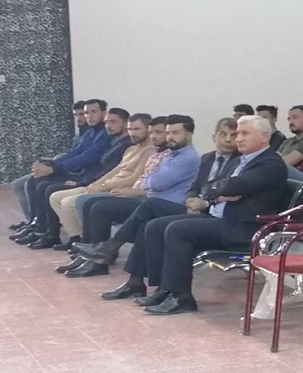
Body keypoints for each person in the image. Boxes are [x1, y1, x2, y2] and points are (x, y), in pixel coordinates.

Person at [137, 115, 288, 314]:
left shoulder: (270, 163)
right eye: (238, 134)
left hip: (245, 228)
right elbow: (211, 186)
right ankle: (164, 289)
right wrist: (222, 192)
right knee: (156, 226)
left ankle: (182, 297)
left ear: (264, 136)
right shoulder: (242, 160)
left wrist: (224, 190)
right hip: (222, 218)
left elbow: (231, 185)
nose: (238, 138)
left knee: (178, 230)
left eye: (244, 133)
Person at [94, 118, 241, 300]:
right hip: (192, 207)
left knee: (150, 206)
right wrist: (191, 199)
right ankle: (137, 282)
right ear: (214, 137)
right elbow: (194, 187)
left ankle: (113, 246)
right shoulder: (208, 158)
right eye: (223, 134)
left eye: (233, 135)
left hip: (210, 213)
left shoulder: (238, 161)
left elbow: (222, 190)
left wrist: (204, 203)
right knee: (148, 223)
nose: (228, 139)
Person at [59, 115, 200, 277]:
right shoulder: (170, 155)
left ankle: (103, 255)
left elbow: (155, 182)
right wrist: (149, 181)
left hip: (165, 205)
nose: (170, 137)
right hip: (151, 201)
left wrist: (149, 181)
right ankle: (92, 256)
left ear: (189, 135)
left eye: (175, 133)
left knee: (102, 208)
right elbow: (148, 179)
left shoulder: (188, 157)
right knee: (93, 205)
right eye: (168, 133)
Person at [30, 108, 133, 249]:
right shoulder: (112, 141)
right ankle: (48, 231)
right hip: (93, 180)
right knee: (39, 183)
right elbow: (77, 154)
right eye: (107, 122)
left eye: (113, 122)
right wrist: (52, 165)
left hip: (103, 184)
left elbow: (105, 167)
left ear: (125, 123)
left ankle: (80, 242)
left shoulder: (126, 146)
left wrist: (83, 182)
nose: (109, 126)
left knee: (56, 193)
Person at [48, 113, 154, 250]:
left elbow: (135, 178)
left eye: (137, 129)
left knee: (75, 202)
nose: (132, 133)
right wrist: (97, 184)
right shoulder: (131, 149)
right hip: (107, 185)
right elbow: (115, 171)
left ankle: (89, 243)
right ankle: (76, 238)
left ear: (148, 129)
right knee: (55, 197)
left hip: (121, 190)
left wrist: (104, 186)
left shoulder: (150, 151)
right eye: (130, 129)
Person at [16, 99, 112, 247]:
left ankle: (51, 234)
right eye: (86, 112)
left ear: (104, 113)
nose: (88, 116)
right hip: (81, 173)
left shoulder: (105, 134)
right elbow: (74, 153)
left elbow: (89, 156)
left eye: (93, 112)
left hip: (89, 177)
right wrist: (50, 165)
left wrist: (54, 169)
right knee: (34, 180)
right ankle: (38, 227)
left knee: (46, 187)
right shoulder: (90, 133)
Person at [9, 100, 88, 232]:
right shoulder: (82, 134)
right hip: (63, 168)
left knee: (34, 183)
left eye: (82, 114)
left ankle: (40, 225)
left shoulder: (95, 135)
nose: (79, 118)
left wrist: (52, 167)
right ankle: (33, 221)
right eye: (76, 115)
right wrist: (50, 164)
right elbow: (72, 154)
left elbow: (83, 158)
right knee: (21, 183)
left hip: (72, 173)